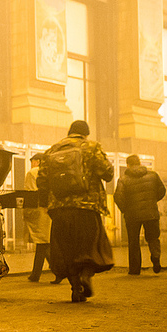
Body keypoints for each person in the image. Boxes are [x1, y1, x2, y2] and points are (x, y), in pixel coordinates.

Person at [37, 120, 114, 303]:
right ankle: (86, 275)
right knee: (91, 247)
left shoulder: (52, 150)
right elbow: (108, 173)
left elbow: (42, 180)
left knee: (66, 250)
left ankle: (75, 289)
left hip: (59, 209)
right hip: (86, 207)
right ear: (86, 133)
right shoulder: (92, 147)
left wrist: (46, 205)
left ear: (69, 131)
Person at [114, 155, 166, 274]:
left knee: (133, 242)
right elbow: (162, 190)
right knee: (153, 238)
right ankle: (155, 257)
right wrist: (152, 201)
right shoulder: (153, 175)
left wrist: (125, 209)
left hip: (132, 215)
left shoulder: (123, 179)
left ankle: (134, 269)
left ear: (127, 165)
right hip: (151, 213)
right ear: (140, 163)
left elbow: (118, 197)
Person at [23, 153, 55, 282]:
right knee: (44, 243)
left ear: (37, 161)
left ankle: (57, 270)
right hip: (48, 210)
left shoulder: (33, 172)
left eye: (33, 161)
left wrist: (26, 213)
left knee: (42, 242)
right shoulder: (51, 173)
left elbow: (30, 193)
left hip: (37, 210)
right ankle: (38, 273)